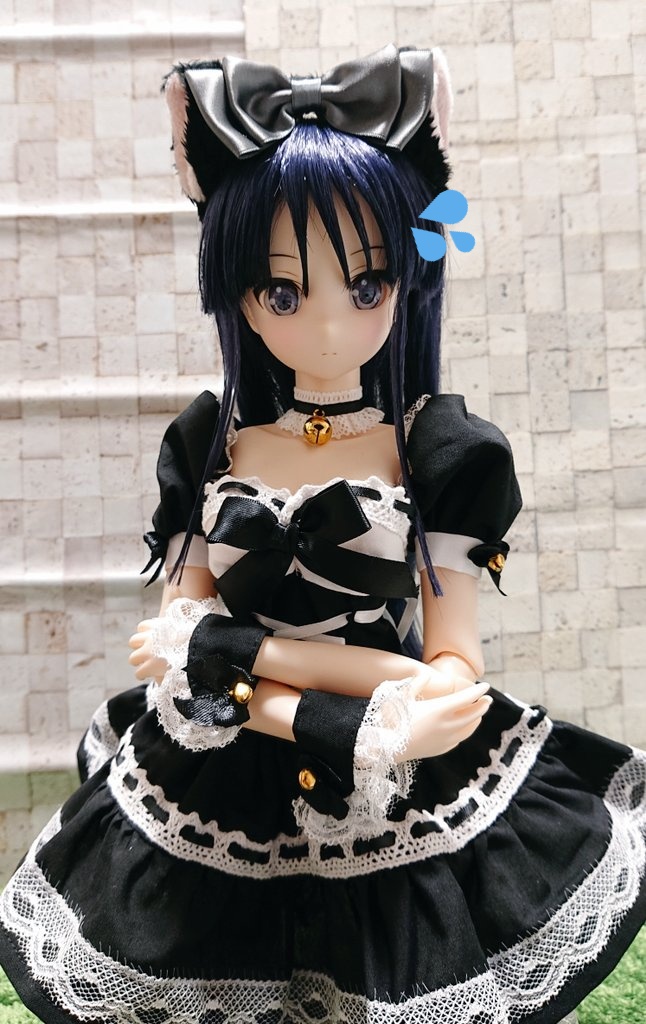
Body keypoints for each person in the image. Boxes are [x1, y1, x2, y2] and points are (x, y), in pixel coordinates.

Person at [0, 44, 643, 1024]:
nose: (330, 327)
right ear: (238, 294)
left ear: (410, 279)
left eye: (367, 285)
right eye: (283, 292)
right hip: (218, 772)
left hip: (389, 786)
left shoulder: (442, 453)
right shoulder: (208, 444)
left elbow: (448, 675)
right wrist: (321, 704)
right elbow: (172, 657)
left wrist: (241, 657)